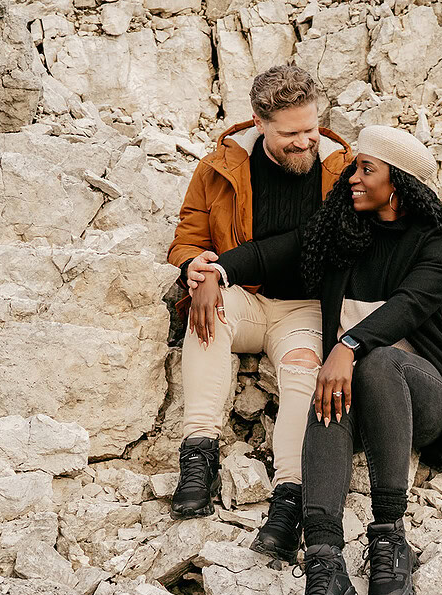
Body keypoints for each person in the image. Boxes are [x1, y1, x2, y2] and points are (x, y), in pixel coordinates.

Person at [188, 126, 442, 595]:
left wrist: (347, 345)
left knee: (373, 364)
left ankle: (388, 536)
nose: (351, 177)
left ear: (399, 182)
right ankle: (324, 567)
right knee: (328, 390)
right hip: (353, 392)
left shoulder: (439, 243)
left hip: (422, 396)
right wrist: (214, 274)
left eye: (366, 169)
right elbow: (278, 250)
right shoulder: (343, 228)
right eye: (354, 166)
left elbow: (411, 305)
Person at [166, 65, 353, 565]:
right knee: (204, 316)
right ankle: (198, 457)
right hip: (245, 296)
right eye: (290, 133)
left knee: (300, 366)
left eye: (311, 128)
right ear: (258, 122)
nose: (304, 142)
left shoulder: (343, 169)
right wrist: (197, 268)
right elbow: (189, 234)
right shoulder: (219, 167)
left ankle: (289, 495)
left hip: (307, 308)